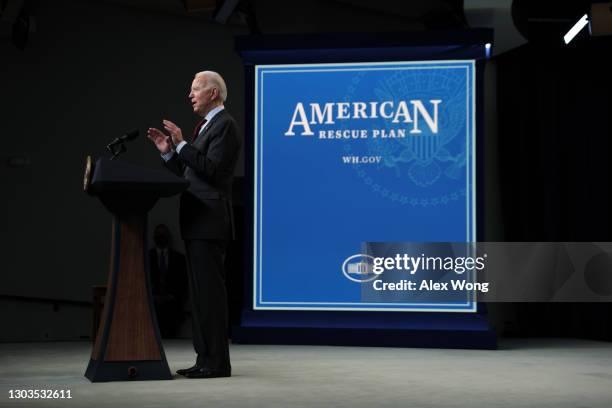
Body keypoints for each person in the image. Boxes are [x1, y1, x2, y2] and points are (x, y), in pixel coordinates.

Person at [147, 71, 240, 379]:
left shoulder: (225, 125)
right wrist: (169, 152)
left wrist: (183, 143)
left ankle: (217, 363)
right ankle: (204, 360)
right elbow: (190, 175)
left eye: (195, 89)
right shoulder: (205, 128)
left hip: (210, 222)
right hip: (196, 222)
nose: (190, 95)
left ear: (214, 93)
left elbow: (211, 171)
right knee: (199, 297)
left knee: (210, 297)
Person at [149, 224, 188, 339]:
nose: (161, 237)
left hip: (173, 307)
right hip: (152, 307)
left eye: (163, 235)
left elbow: (183, 282)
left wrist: (172, 296)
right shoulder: (146, 257)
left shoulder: (179, 258)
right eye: (158, 235)